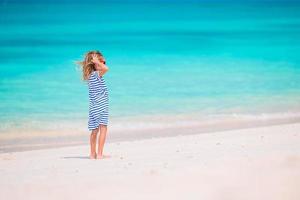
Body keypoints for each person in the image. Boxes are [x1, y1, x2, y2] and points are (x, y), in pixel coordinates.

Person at [77, 50, 110, 159]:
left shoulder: (91, 76)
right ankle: (99, 154)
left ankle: (92, 154)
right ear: (95, 64)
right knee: (103, 129)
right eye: (101, 62)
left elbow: (104, 68)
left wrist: (98, 62)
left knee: (94, 131)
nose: (103, 63)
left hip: (94, 107)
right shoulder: (96, 74)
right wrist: (99, 63)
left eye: (104, 62)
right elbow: (106, 69)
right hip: (102, 106)